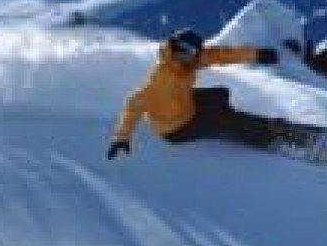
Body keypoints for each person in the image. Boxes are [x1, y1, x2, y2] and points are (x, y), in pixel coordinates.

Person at [108, 29, 281, 160]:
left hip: (185, 104)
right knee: (225, 120)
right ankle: (268, 135)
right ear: (175, 49)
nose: (192, 55)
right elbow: (133, 104)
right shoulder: (161, 80)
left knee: (220, 94)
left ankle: (227, 121)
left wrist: (257, 55)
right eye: (187, 51)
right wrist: (121, 137)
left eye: (194, 51)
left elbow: (220, 55)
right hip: (176, 129)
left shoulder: (188, 61)